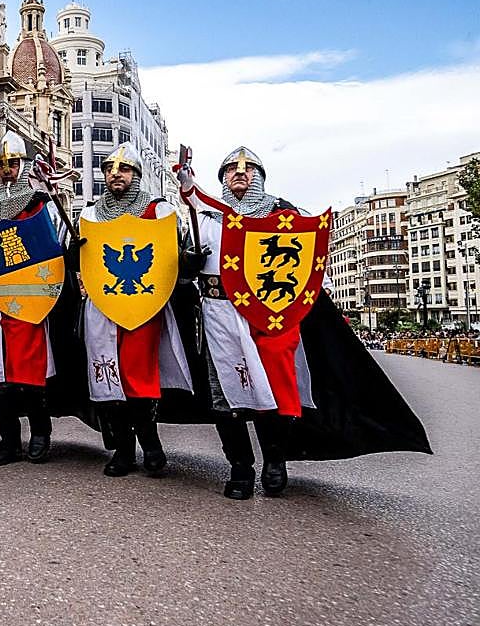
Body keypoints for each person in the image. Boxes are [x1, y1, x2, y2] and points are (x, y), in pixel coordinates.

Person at [177, 146, 431, 499]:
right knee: (226, 397)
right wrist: (187, 264)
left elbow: (308, 265)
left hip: (267, 317)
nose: (240, 172)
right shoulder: (203, 218)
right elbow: (181, 275)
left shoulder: (285, 216)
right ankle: (240, 467)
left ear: (260, 177)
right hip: (219, 316)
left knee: (272, 392)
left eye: (249, 168)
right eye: (231, 170)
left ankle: (275, 461)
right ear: (221, 180)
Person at [80, 143, 192, 477]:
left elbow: (177, 251)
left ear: (137, 176)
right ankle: (125, 450)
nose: (116, 174)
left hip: (143, 304)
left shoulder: (157, 210)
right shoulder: (90, 213)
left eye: (124, 169)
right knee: (108, 376)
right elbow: (80, 262)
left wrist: (188, 260)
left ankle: (151, 443)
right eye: (111, 169)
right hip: (102, 305)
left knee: (138, 378)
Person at [0, 132, 68, 466]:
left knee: (31, 376)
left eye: (13, 163)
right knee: (1, 378)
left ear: (23, 165)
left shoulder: (39, 205)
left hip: (30, 300)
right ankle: (8, 442)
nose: (7, 169)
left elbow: (55, 247)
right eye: (2, 164)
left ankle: (41, 435)